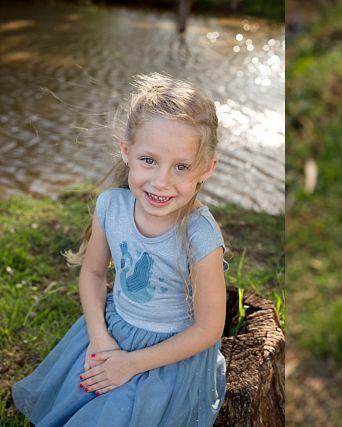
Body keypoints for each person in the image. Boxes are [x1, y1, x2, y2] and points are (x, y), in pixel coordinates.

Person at [13, 73, 228, 426]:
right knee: (80, 398)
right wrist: (100, 340)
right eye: (148, 160)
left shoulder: (200, 237)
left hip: (168, 356)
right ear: (126, 150)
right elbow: (94, 273)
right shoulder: (111, 206)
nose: (161, 181)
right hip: (112, 331)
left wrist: (131, 363)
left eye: (181, 167)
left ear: (206, 169)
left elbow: (208, 329)